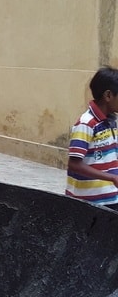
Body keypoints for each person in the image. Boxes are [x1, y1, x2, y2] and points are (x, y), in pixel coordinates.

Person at [65, 66, 118, 209]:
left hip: (111, 197)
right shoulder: (86, 123)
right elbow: (74, 164)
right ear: (108, 96)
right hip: (89, 203)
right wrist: (111, 178)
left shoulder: (113, 121)